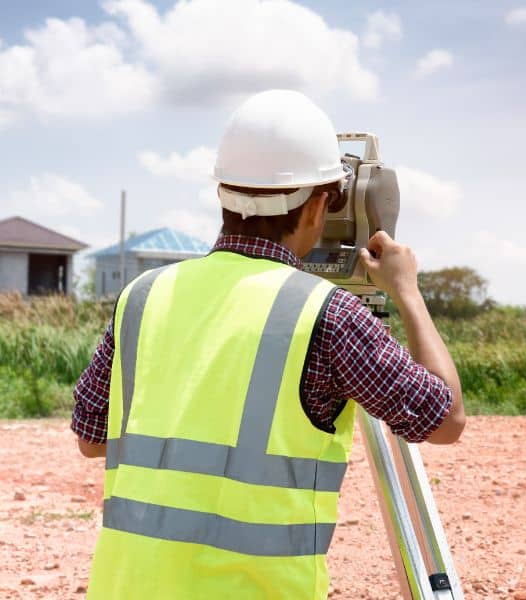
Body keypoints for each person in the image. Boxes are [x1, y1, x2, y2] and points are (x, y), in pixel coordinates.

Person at [70, 89, 465, 599]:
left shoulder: (142, 296)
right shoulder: (326, 314)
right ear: (322, 202)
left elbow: (91, 437)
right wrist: (406, 291)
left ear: (224, 194)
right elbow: (445, 419)